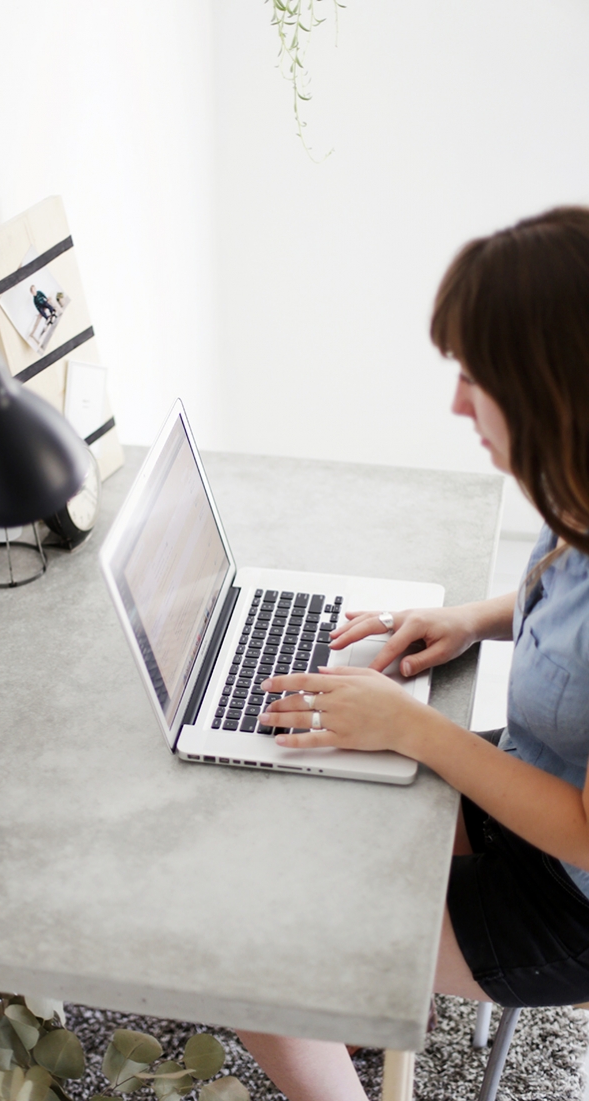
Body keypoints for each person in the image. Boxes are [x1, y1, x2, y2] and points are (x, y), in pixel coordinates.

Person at [237, 207, 589, 1101]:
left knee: (255, 955)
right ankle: (364, 996)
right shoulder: (579, 497)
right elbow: (569, 607)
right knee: (309, 816)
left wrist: (413, 728)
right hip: (530, 790)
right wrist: (472, 619)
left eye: (477, 377)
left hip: (568, 902)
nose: (457, 402)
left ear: (551, 388)